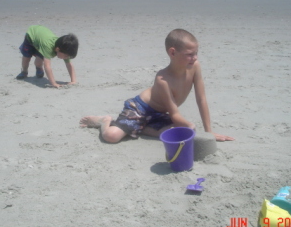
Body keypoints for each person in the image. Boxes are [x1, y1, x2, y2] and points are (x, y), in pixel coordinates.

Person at [80, 28, 234, 143]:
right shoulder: (163, 79)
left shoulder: (195, 67)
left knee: (175, 132)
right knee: (111, 137)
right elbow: (174, 114)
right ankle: (106, 120)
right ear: (172, 53)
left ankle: (141, 128)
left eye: (196, 53)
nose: (194, 57)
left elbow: (201, 99)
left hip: (159, 114)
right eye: (189, 54)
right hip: (140, 109)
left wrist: (209, 132)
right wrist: (190, 126)